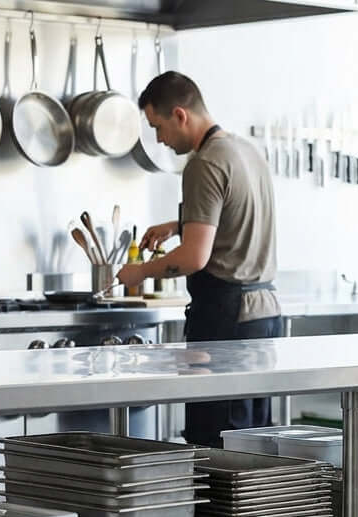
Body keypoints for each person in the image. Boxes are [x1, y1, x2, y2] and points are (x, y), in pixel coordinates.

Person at [117, 71, 282, 448]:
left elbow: (194, 257)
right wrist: (182, 223)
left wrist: (140, 271)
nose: (159, 139)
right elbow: (237, 213)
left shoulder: (204, 163)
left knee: (217, 442)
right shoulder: (246, 151)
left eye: (158, 127)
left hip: (226, 319)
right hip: (264, 316)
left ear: (180, 114)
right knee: (256, 443)